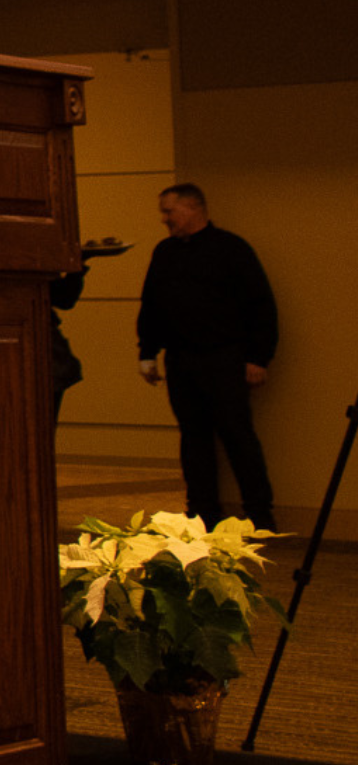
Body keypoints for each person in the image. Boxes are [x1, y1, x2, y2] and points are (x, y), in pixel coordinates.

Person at [136, 182, 278, 530]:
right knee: (193, 439)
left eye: (169, 211)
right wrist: (148, 352)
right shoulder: (165, 253)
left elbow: (261, 307)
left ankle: (260, 516)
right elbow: (151, 305)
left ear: (193, 208)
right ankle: (201, 513)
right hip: (182, 360)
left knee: (237, 436)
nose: (164, 220)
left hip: (225, 358)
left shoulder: (231, 250)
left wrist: (259, 358)